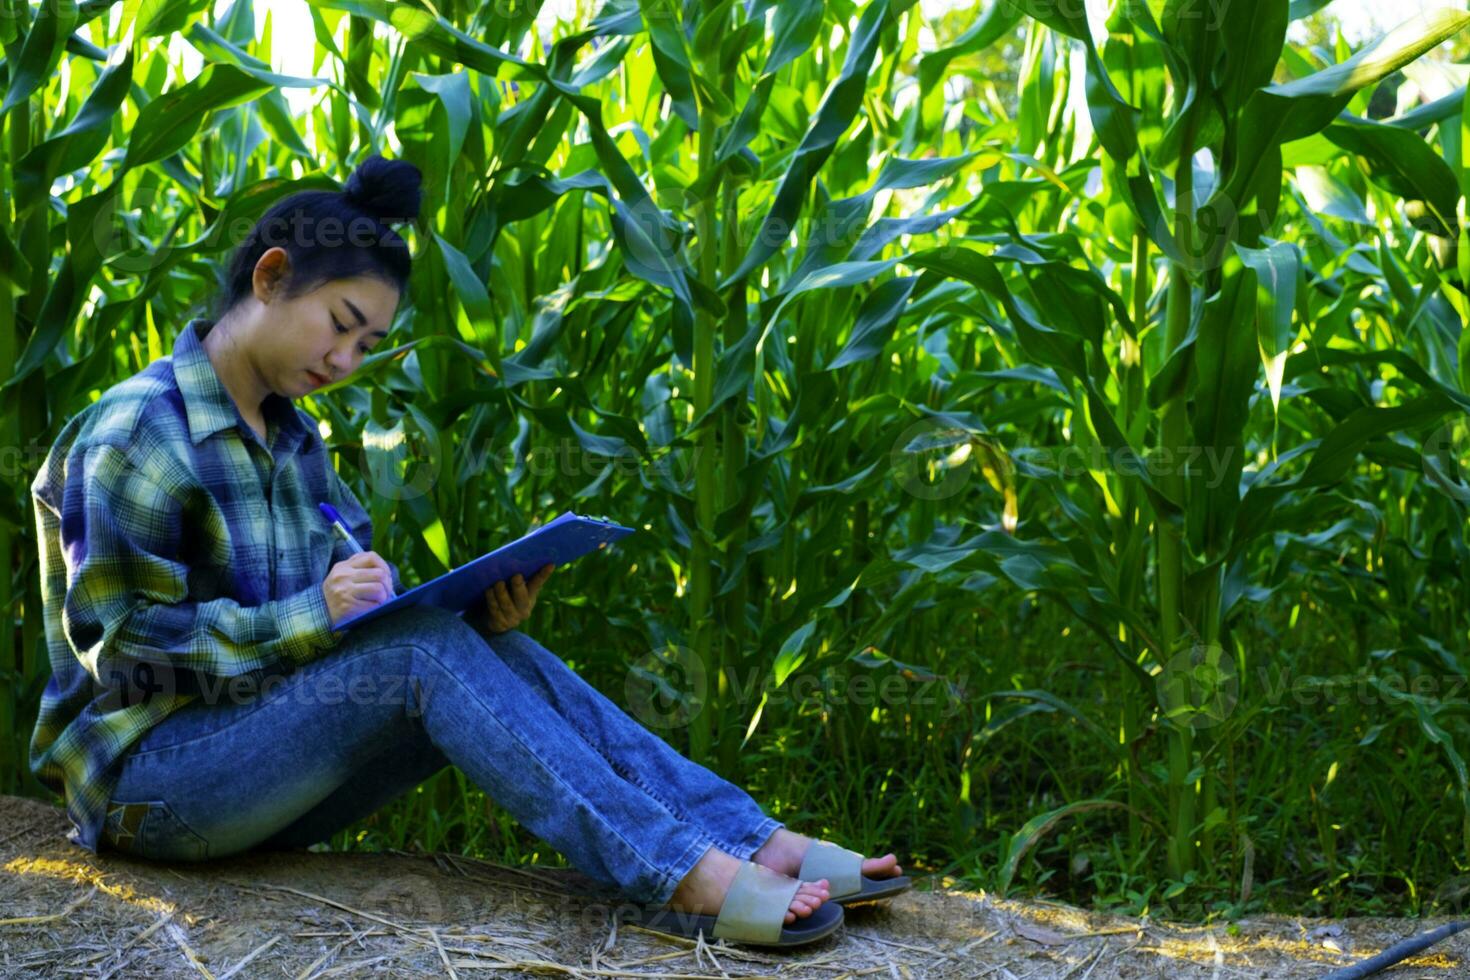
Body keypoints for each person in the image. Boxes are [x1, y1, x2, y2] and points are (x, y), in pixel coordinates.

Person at [28, 155, 905, 947]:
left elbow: (356, 631)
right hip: (154, 785)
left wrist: (472, 611)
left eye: (368, 345)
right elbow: (124, 645)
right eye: (339, 324)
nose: (345, 359)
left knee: (486, 647)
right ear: (271, 277)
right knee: (420, 656)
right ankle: (683, 875)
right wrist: (316, 611)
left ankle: (755, 841)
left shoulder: (298, 446)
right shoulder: (141, 430)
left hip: (262, 772)